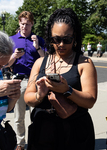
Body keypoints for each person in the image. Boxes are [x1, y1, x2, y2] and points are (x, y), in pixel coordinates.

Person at [24, 8, 97, 150]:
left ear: (74, 37)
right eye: (56, 39)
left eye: (67, 39)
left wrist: (67, 90)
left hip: (75, 132)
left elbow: (90, 100)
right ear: (50, 38)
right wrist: (40, 94)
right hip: (42, 132)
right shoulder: (40, 63)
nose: (61, 44)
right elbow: (28, 97)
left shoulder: (84, 63)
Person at [5, 11, 45, 150]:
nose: (24, 27)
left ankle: (36, 141)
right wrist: (14, 56)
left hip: (35, 80)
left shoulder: (38, 39)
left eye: (27, 24)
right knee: (18, 115)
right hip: (19, 80)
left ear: (32, 24)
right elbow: (7, 64)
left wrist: (37, 47)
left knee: (37, 114)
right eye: (22, 24)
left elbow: (45, 60)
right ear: (19, 23)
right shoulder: (11, 40)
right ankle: (20, 143)